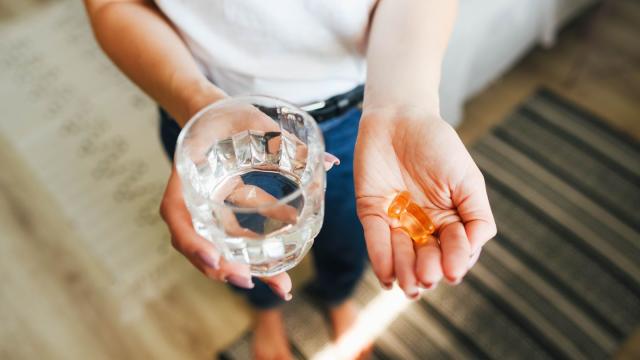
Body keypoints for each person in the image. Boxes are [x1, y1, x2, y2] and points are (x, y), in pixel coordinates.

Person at [84, 0, 496, 358]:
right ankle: (265, 311)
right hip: (209, 118)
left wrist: (405, 106)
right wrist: (196, 102)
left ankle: (338, 297)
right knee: (242, 244)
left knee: (350, 234)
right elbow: (113, 4)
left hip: (361, 115)